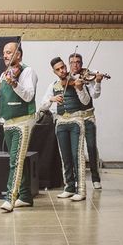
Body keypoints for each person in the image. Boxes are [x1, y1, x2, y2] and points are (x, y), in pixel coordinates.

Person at [0, 42, 38, 212]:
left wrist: (15, 83)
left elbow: (29, 95)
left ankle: (10, 197)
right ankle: (25, 197)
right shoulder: (4, 75)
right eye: (4, 53)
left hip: (23, 121)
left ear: (19, 55)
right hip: (8, 122)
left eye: (9, 52)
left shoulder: (28, 71)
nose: (6, 56)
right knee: (18, 160)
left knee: (15, 161)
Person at [40, 57, 91, 202]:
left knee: (77, 156)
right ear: (54, 71)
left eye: (63, 67)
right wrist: (51, 100)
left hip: (76, 121)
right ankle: (68, 187)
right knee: (65, 157)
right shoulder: (53, 85)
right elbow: (42, 105)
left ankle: (81, 189)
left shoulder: (77, 80)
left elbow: (86, 101)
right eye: (58, 69)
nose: (62, 71)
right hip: (61, 122)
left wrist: (79, 88)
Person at [69, 52, 105, 189]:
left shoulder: (88, 77)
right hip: (74, 118)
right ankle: (78, 178)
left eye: (78, 62)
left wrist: (97, 82)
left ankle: (96, 178)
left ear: (82, 64)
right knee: (76, 150)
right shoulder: (67, 78)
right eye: (72, 62)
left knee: (91, 147)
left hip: (88, 116)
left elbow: (95, 95)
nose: (75, 65)